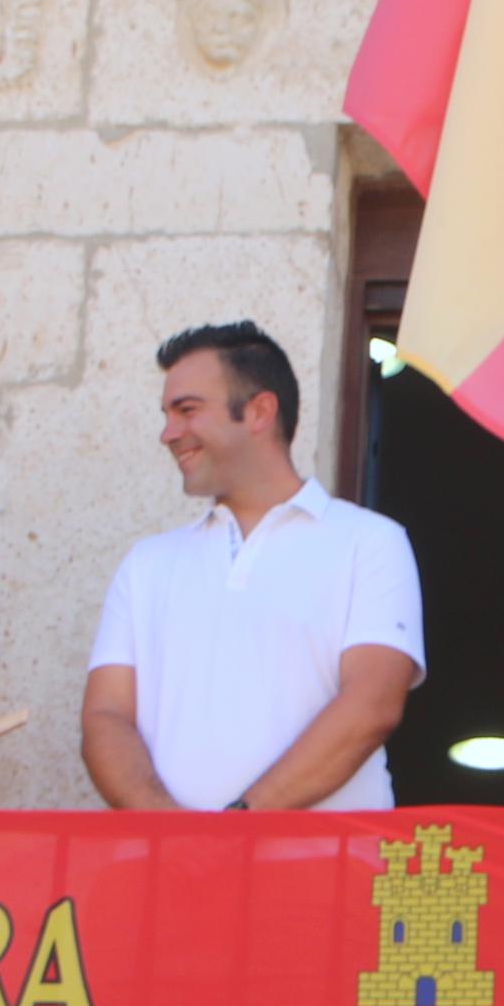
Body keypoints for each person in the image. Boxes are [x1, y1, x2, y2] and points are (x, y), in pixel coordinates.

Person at [83, 321, 423, 811]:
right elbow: (105, 716)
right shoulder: (146, 565)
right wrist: (171, 832)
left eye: (188, 410)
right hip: (172, 874)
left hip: (326, 874)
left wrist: (237, 829)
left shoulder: (371, 543)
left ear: (261, 411)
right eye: (167, 414)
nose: (168, 433)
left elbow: (373, 704)